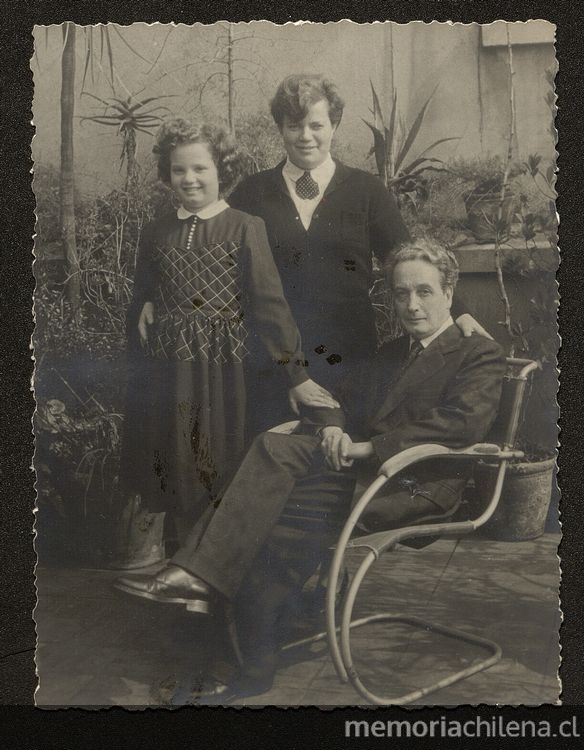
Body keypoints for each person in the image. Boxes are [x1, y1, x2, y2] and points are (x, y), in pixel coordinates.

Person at [115, 238, 506, 700]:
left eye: (423, 292)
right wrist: (334, 429)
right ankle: (226, 638)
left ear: (449, 291)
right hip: (354, 474)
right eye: (400, 293)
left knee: (266, 510)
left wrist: (365, 448)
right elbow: (336, 399)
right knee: (267, 480)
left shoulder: (477, 353)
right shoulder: (390, 352)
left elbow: (461, 425)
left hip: (415, 484)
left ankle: (214, 613)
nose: (412, 304)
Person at [228, 74, 489, 432]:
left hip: (349, 355)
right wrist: (151, 296)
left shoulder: (366, 192)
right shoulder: (251, 193)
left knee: (341, 454)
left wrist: (459, 312)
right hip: (275, 358)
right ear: (280, 128)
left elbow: (409, 260)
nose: (306, 136)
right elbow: (221, 264)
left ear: (334, 125)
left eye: (316, 125)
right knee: (278, 453)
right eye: (294, 126)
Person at [118, 118, 335, 544]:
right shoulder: (156, 231)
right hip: (168, 371)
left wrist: (297, 375)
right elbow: (146, 286)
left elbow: (270, 306)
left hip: (219, 372)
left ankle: (211, 577)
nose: (190, 179)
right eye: (179, 170)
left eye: (200, 168)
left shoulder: (244, 226)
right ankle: (176, 568)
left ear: (222, 171)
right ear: (167, 174)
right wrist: (143, 303)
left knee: (214, 463)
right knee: (172, 463)